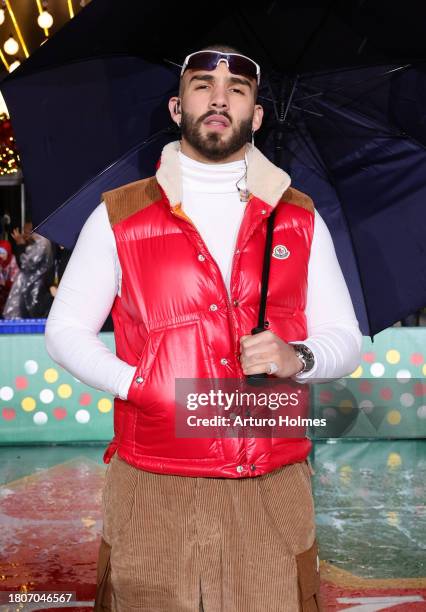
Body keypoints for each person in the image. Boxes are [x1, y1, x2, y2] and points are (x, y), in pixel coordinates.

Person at [45, 45, 362, 611]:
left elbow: (344, 339)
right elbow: (65, 331)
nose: (219, 99)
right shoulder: (118, 214)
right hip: (152, 483)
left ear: (257, 115)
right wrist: (139, 385)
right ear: (176, 106)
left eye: (237, 91)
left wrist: (299, 358)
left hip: (273, 483)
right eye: (201, 87)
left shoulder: (300, 217)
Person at [4, 222, 53, 319]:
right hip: (31, 288)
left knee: (32, 317)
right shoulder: (35, 244)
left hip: (36, 290)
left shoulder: (42, 243)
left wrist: (20, 245)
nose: (24, 234)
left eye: (27, 231)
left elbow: (26, 264)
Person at [0, 239, 19, 316]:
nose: (1, 255)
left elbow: (15, 284)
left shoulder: (13, 262)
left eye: (3, 253)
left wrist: (4, 283)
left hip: (11, 296)